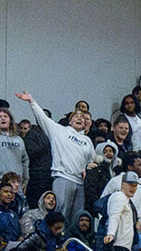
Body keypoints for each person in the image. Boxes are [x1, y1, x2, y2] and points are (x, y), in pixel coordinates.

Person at [16, 92, 94, 226]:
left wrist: (89, 165)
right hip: (62, 177)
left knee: (77, 217)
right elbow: (43, 118)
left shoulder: (87, 141)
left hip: (79, 182)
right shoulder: (59, 131)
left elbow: (92, 160)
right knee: (60, 213)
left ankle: (71, 244)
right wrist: (32, 101)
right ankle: (55, 242)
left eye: (83, 117)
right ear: (70, 121)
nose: (80, 118)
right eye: (76, 116)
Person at [22, 116, 52, 209]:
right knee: (36, 204)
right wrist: (46, 144)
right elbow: (30, 151)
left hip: (49, 174)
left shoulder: (52, 132)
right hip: (37, 175)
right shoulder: (32, 133)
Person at [0, 107, 29, 190]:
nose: (3, 118)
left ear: (10, 120)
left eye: (5, 116)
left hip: (17, 183)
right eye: (0, 117)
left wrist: (25, 180)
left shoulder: (19, 140)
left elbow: (25, 160)